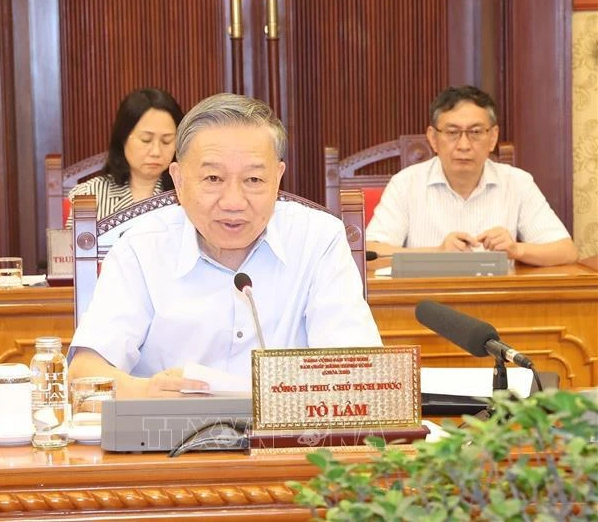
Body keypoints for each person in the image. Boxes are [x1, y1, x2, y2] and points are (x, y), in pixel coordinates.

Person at [68, 93, 381, 398]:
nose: (233, 202)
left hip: (289, 446)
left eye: (254, 180)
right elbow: (83, 375)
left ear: (277, 178)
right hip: (167, 443)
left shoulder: (319, 240)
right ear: (177, 180)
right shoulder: (140, 248)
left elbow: (358, 369)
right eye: (213, 178)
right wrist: (143, 392)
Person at [365, 86, 578, 267]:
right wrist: (437, 254)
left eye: (475, 132)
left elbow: (566, 252)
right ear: (433, 138)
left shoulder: (517, 182)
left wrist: (516, 250)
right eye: (452, 132)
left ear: (493, 137)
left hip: (499, 305)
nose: (464, 145)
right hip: (426, 306)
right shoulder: (406, 184)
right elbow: (369, 256)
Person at [65, 87, 184, 227]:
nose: (156, 151)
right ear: (123, 138)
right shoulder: (89, 195)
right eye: (146, 140)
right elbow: (73, 248)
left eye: (166, 141)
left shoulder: (186, 194)